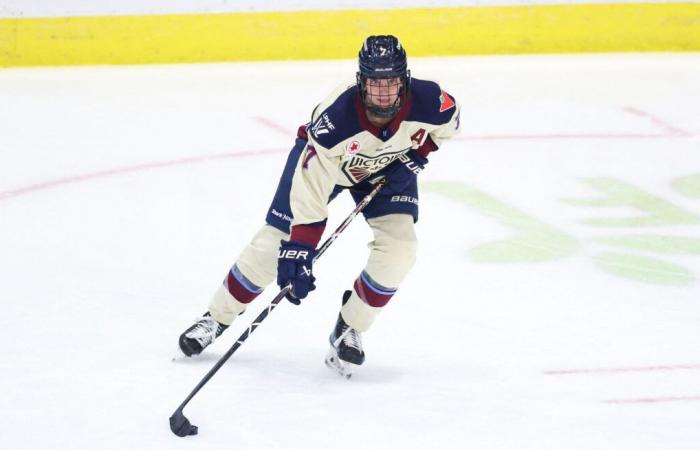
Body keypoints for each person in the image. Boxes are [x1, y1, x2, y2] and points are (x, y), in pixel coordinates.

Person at [177, 35, 460, 377]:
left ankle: (349, 328)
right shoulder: (336, 120)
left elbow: (451, 122)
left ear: (405, 79)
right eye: (374, 83)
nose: (383, 92)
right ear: (361, 81)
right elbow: (311, 190)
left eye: (391, 83)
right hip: (329, 167)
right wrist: (300, 247)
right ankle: (216, 318)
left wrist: (417, 155)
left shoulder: (430, 99)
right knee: (274, 245)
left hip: (389, 170)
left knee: (400, 248)